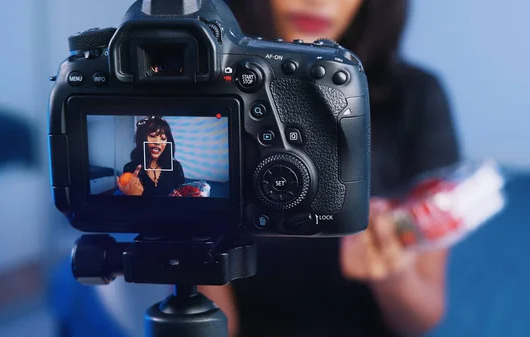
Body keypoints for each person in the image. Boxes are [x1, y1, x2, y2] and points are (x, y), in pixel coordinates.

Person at [197, 0, 462, 336]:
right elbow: (217, 325)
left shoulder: (416, 97)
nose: (318, 2)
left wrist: (391, 272)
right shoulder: (212, 99)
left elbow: (420, 320)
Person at [118, 116, 185, 196]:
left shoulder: (176, 167)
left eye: (163, 138)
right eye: (152, 135)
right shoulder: (130, 168)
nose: (158, 142)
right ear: (142, 139)